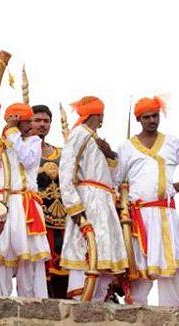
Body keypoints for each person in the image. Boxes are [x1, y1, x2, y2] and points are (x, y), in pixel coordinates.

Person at [118, 96, 179, 306]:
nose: (152, 120)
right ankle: (135, 312)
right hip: (138, 218)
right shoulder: (126, 148)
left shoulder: (172, 143)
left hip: (166, 215)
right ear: (139, 119)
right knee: (140, 269)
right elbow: (117, 180)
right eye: (147, 117)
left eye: (155, 116)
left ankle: (172, 310)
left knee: (171, 268)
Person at [0, 103, 50, 298]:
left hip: (25, 205)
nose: (31, 126)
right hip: (1, 204)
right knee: (1, 257)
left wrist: (13, 135)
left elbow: (27, 160)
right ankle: (1, 300)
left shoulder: (33, 142)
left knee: (29, 259)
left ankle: (32, 304)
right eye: (27, 122)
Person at [59, 96, 128, 300]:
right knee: (84, 253)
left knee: (105, 258)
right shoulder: (79, 134)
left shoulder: (97, 139)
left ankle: (99, 301)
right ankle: (80, 301)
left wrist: (111, 155)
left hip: (105, 202)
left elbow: (114, 178)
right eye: (102, 115)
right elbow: (66, 171)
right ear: (98, 115)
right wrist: (74, 207)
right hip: (87, 202)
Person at [30, 104, 69, 298]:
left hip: (63, 220)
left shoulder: (62, 152)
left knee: (64, 273)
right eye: (37, 120)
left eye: (46, 121)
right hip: (36, 219)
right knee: (37, 272)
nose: (42, 125)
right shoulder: (23, 151)